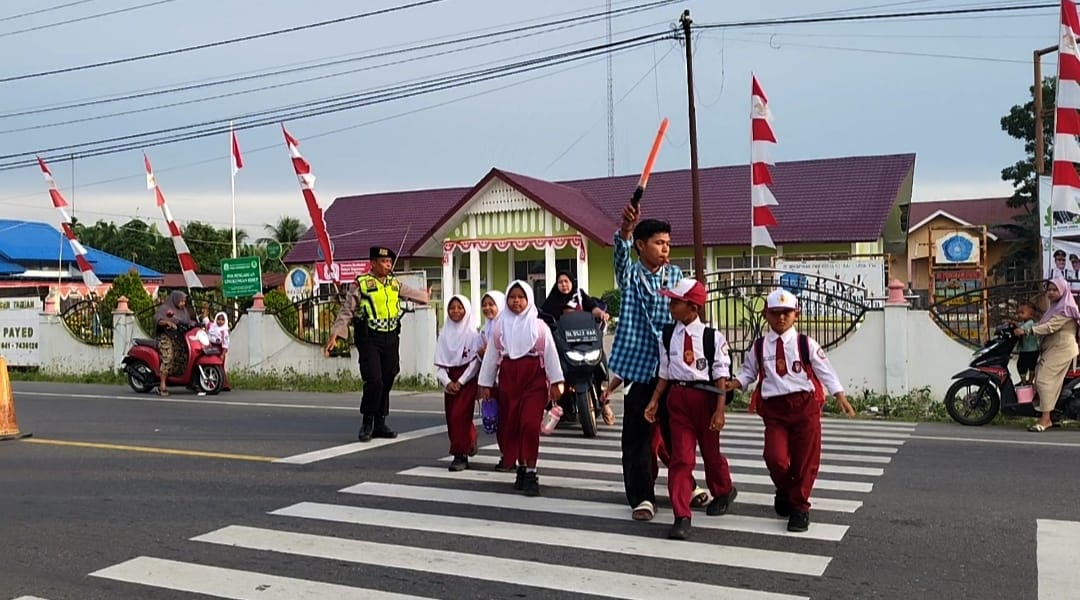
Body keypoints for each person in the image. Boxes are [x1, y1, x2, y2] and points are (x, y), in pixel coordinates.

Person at [727, 289, 854, 533]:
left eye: (786, 313)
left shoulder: (805, 344)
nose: (781, 318)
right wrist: (736, 383)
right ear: (766, 315)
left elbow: (825, 370)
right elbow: (749, 373)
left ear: (796, 314)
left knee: (805, 461)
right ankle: (785, 489)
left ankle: (799, 508)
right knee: (774, 457)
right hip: (774, 409)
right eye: (775, 313)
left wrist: (839, 395)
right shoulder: (759, 346)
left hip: (804, 406)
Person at [643, 278, 737, 540]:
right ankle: (681, 515)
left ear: (693, 307)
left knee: (711, 454)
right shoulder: (667, 334)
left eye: (676, 301)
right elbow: (664, 371)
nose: (671, 305)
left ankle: (724, 489)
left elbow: (720, 375)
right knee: (681, 458)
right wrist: (655, 400)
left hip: (705, 399)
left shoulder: (711, 337)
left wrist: (720, 411)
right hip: (678, 398)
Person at [608, 202, 683, 522]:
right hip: (640, 369)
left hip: (672, 369)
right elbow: (620, 253)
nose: (665, 248)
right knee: (637, 437)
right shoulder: (630, 275)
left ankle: (685, 489)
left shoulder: (676, 275)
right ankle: (642, 496)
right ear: (641, 245)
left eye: (667, 243)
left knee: (676, 435)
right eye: (658, 242)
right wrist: (626, 228)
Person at [326, 246, 430, 442]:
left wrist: (426, 295)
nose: (387, 265)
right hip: (369, 338)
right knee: (374, 379)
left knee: (389, 374)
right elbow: (346, 311)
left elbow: (417, 296)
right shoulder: (361, 284)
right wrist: (336, 334)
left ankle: (380, 421)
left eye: (389, 262)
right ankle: (368, 421)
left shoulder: (394, 284)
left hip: (390, 337)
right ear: (372, 263)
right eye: (383, 262)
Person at [478, 280, 564, 497]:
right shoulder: (500, 327)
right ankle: (521, 468)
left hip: (533, 380)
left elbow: (551, 355)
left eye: (521, 297)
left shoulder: (539, 327)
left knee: (529, 424)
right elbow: (491, 357)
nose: (516, 301)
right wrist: (486, 384)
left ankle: (532, 472)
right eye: (512, 297)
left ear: (529, 300)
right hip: (508, 380)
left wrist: (556, 382)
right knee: (513, 425)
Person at [1014, 278, 1080, 433]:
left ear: (1063, 291)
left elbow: (1050, 327)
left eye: (1054, 290)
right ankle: (1053, 415)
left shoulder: (1066, 308)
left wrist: (1027, 330)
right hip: (1053, 349)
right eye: (1049, 290)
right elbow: (1042, 325)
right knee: (1043, 379)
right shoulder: (1056, 308)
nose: (1050, 293)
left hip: (1061, 350)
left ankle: (1045, 420)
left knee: (1044, 381)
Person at [435, 295, 482, 472]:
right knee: (452, 418)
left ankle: (459, 455)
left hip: (467, 380)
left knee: (459, 416)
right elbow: (439, 364)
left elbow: (475, 361)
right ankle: (469, 438)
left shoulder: (473, 335)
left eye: (460, 307)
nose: (455, 311)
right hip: (450, 381)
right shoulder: (444, 334)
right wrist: (447, 382)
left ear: (467, 310)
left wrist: (461, 381)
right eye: (452, 308)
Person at [478, 290, 512, 472]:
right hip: (493, 381)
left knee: (509, 420)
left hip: (508, 379)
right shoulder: (485, 328)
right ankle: (505, 455)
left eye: (492, 304)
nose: (487, 308)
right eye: (485, 304)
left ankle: (513, 456)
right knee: (499, 421)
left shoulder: (506, 325)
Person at [153, 291, 194, 397]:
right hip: (165, 337)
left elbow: (188, 322)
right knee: (168, 357)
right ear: (175, 299)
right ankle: (162, 385)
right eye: (181, 301)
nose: (183, 304)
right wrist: (167, 322)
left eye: (184, 301)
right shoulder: (165, 308)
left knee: (185, 355)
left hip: (179, 337)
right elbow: (158, 319)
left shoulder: (183, 311)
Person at [539, 271, 608, 324]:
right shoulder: (553, 299)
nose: (564, 284)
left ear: (572, 282)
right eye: (560, 282)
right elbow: (545, 316)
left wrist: (601, 314)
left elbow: (592, 307)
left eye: (566, 281)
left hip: (583, 333)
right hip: (561, 338)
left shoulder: (579, 295)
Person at [1014, 302, 1040, 384]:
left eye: (1022, 313)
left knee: (1021, 365)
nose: (1019, 315)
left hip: (1028, 350)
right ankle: (1029, 381)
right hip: (1033, 350)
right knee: (1031, 366)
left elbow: (1021, 330)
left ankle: (1025, 381)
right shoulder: (1024, 322)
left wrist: (1016, 328)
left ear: (1031, 315)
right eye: (1018, 312)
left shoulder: (1030, 323)